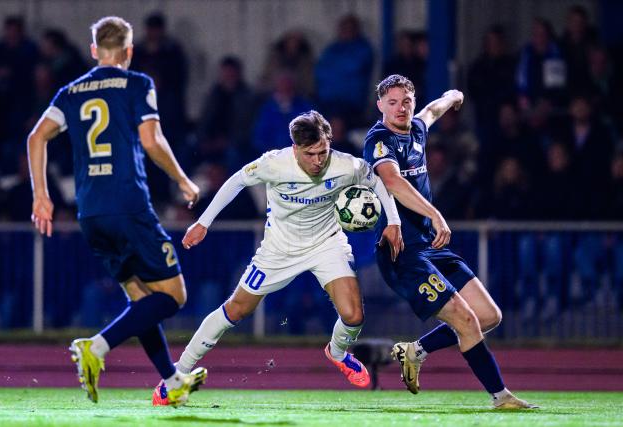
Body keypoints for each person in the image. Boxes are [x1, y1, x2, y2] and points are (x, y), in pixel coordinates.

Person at [152, 110, 404, 405]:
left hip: (327, 244)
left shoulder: (346, 165)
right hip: (278, 250)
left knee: (354, 316)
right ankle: (176, 376)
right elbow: (236, 181)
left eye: (323, 152)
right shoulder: (274, 164)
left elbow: (375, 180)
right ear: (295, 148)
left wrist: (394, 220)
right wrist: (204, 222)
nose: (318, 160)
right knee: (235, 310)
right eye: (310, 154)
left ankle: (337, 353)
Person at [27, 16, 206, 407]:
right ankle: (97, 346)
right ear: (129, 51)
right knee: (173, 295)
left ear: (94, 51)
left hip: (90, 213)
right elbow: (151, 139)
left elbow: (36, 136)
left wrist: (41, 195)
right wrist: (181, 179)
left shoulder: (71, 91)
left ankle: (172, 380)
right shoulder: (138, 83)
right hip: (128, 205)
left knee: (141, 298)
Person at [362, 74, 537, 409]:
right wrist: (436, 214)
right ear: (380, 105)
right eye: (393, 102)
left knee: (488, 316)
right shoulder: (379, 140)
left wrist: (452, 96)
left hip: (430, 247)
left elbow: (432, 111)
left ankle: (415, 351)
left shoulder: (416, 128)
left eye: (406, 101)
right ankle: (501, 397)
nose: (401, 108)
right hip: (402, 253)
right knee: (466, 320)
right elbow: (393, 182)